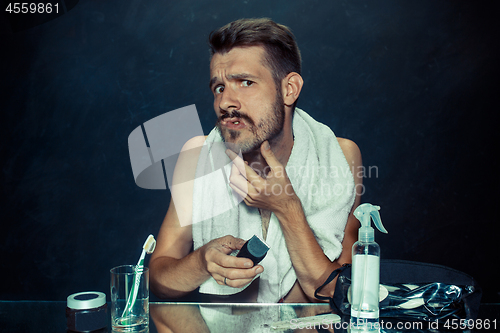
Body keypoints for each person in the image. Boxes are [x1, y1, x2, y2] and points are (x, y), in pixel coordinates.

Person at [149, 18, 363, 303]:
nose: (226, 102)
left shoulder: (340, 157)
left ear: (289, 89)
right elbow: (159, 279)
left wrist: (287, 208)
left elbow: (340, 293)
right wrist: (201, 262)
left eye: (245, 83)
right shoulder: (199, 155)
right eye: (219, 88)